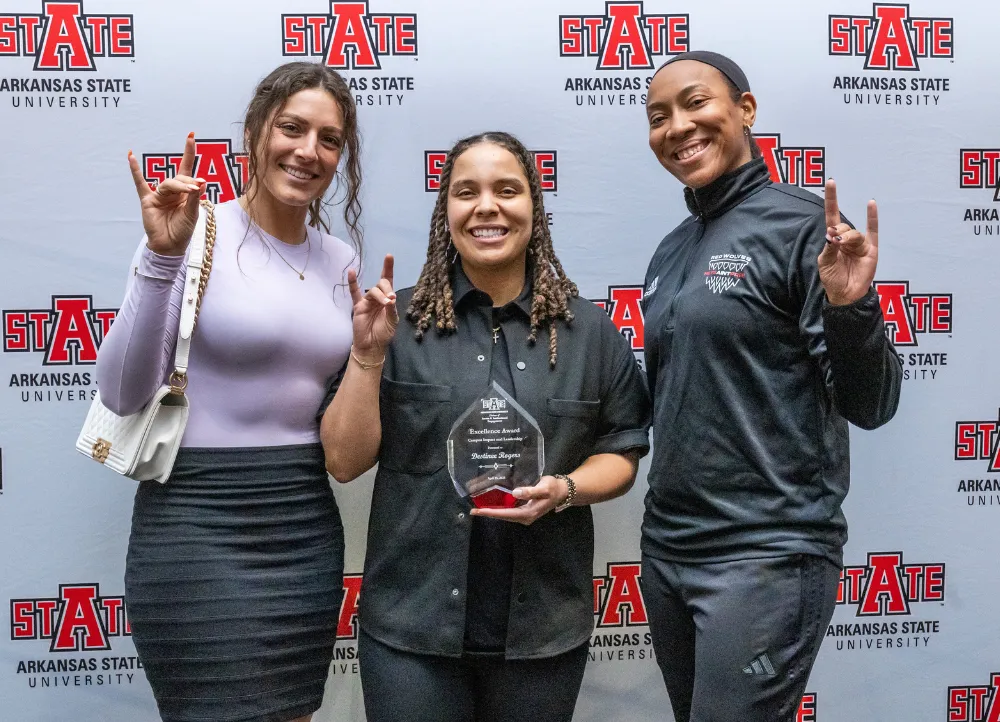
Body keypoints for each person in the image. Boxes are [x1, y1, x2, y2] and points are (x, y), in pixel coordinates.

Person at [320, 131, 651, 721]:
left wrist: (565, 489)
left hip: (543, 633)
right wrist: (368, 357)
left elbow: (622, 451)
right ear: (445, 211)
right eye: (466, 192)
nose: (487, 207)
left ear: (534, 208)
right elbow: (344, 462)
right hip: (412, 632)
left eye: (507, 190)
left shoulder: (589, 333)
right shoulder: (398, 325)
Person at [638, 51, 903, 721]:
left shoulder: (805, 227)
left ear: (746, 110)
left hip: (767, 555)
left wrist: (851, 308)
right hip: (669, 548)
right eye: (658, 117)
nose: (677, 127)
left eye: (696, 103)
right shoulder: (670, 248)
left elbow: (872, 404)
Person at [95, 61, 363, 722]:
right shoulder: (191, 231)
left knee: (295, 712)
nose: (308, 151)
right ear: (253, 133)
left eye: (329, 139)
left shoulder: (342, 261)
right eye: (292, 128)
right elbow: (122, 394)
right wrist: (161, 258)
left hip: (302, 522)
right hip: (194, 519)